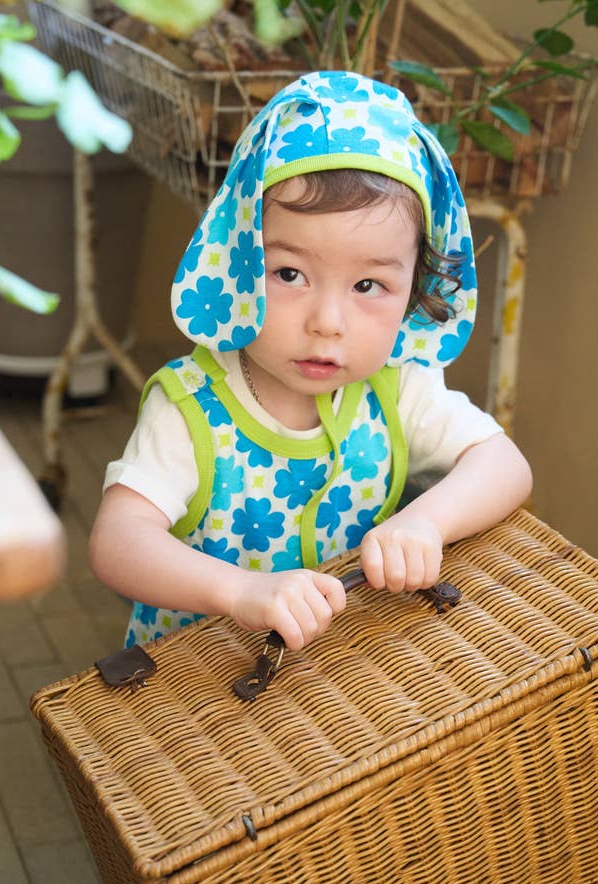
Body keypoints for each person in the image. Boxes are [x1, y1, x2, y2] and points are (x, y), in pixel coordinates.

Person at [89, 70, 532, 652]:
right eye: (290, 274)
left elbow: (507, 465)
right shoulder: (191, 409)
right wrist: (240, 591)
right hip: (200, 699)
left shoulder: (397, 387)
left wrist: (425, 520)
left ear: (413, 289)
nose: (329, 321)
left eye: (369, 285)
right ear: (239, 261)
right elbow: (117, 542)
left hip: (335, 695)